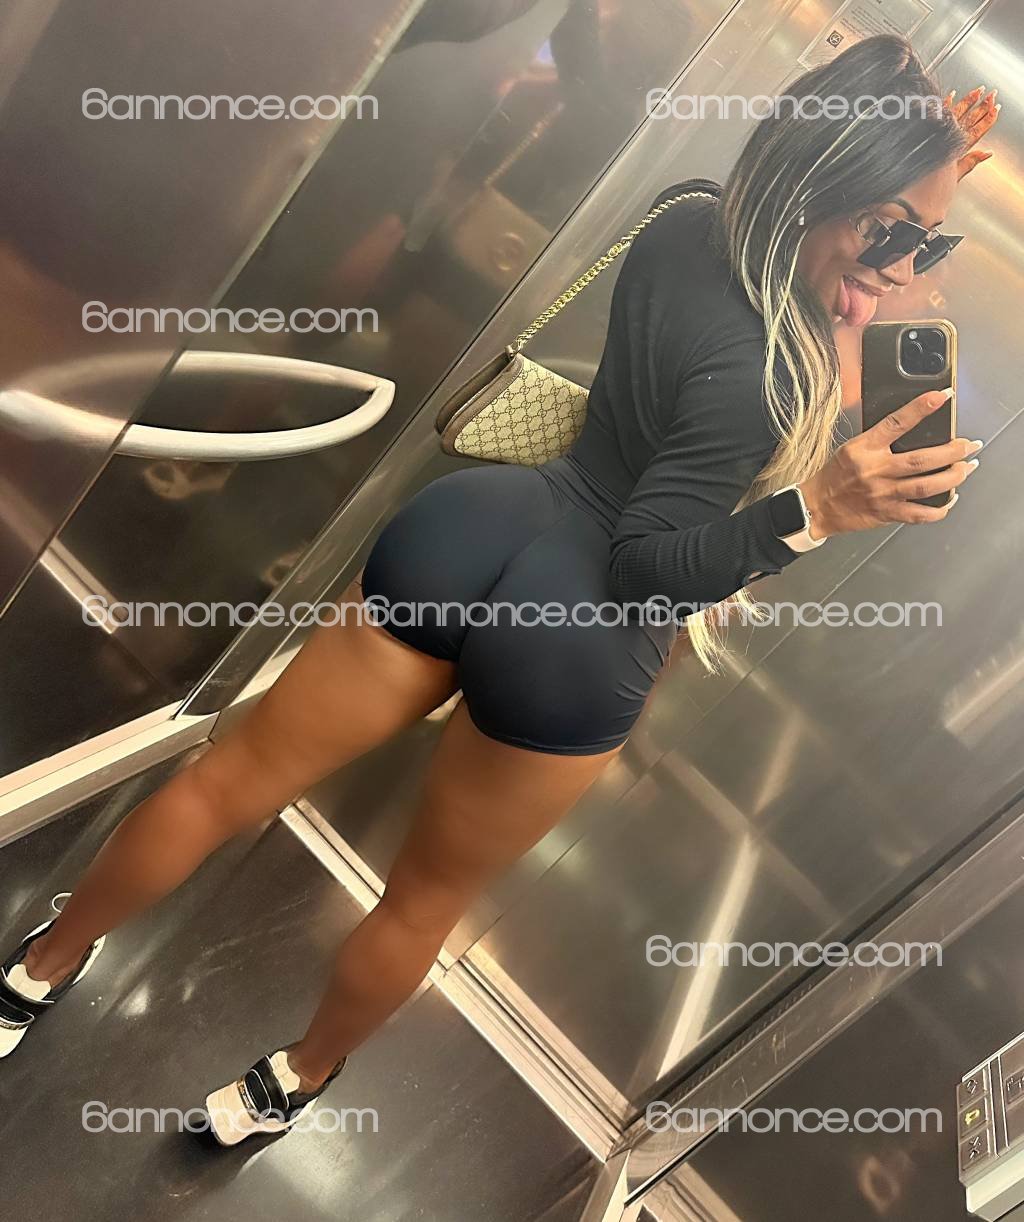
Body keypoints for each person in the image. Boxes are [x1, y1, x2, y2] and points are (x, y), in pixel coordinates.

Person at [0, 35, 999, 1143]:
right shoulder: (770, 382)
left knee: (227, 779)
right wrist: (813, 511)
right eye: (889, 233)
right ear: (820, 185)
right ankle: (292, 1080)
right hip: (578, 641)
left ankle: (36, 971)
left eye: (929, 239)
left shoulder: (686, 215)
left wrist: (899, 207)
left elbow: (790, 292)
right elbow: (645, 565)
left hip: (479, 531)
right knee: (419, 901)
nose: (903, 268)